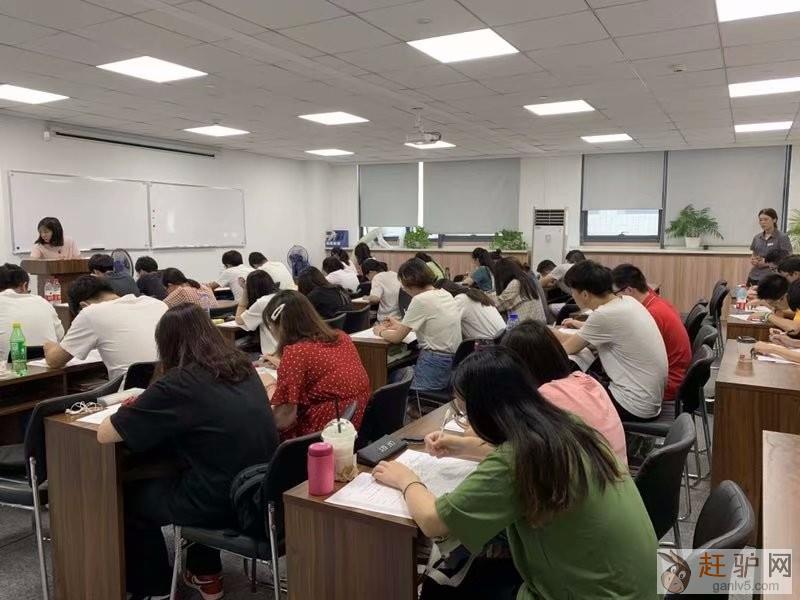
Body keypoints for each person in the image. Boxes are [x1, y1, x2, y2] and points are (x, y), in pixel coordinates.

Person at [372, 348, 656, 600]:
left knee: (441, 585)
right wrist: (462, 445)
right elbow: (513, 454)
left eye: (464, 410)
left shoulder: (517, 460)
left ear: (484, 411)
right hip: (634, 584)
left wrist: (406, 480)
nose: (465, 418)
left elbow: (433, 522)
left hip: (589, 592)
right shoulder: (565, 424)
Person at [97, 303, 279, 600]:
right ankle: (205, 574)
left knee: (127, 499)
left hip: (218, 501)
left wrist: (138, 407)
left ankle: (153, 587)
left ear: (167, 343)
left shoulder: (179, 382)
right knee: (198, 469)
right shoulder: (242, 367)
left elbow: (106, 433)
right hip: (256, 490)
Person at [554, 260, 668, 421]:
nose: (571, 295)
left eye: (572, 291)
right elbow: (583, 340)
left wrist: (548, 335)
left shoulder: (604, 315)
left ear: (585, 294)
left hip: (633, 404)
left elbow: (567, 349)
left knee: (560, 399)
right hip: (649, 399)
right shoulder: (628, 301)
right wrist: (558, 335)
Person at [502, 321, 627, 465]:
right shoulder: (585, 379)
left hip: (593, 475)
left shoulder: (545, 397)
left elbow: (515, 453)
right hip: (619, 471)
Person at [260, 290, 370, 439]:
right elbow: (323, 371)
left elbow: (284, 419)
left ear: (280, 325)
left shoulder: (296, 352)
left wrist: (269, 385)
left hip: (323, 432)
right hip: (357, 422)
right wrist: (283, 365)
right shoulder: (341, 337)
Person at [43, 275, 167, 380]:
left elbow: (55, 360)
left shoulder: (90, 313)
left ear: (83, 306)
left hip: (131, 394)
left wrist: (49, 346)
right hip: (171, 387)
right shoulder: (158, 304)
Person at [607, 264, 691, 405]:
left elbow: (636, 356)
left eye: (615, 294)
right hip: (675, 374)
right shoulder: (653, 299)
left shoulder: (651, 314)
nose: (615, 299)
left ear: (629, 290)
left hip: (667, 384)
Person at [374, 259, 462, 391]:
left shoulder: (420, 299)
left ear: (409, 282)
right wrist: (399, 325)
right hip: (451, 364)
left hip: (434, 363)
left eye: (403, 285)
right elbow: (431, 326)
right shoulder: (445, 294)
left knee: (390, 378)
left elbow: (397, 338)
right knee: (398, 372)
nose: (403, 289)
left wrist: (380, 331)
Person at [0, 263, 64, 361]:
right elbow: (60, 336)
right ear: (24, 286)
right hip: (48, 365)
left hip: (8, 368)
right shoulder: (43, 302)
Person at [439, 280, 506, 341]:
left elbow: (446, 324)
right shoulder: (474, 293)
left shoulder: (461, 300)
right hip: (503, 337)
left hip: (489, 343)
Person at [236, 269, 279, 356]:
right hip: (292, 348)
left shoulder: (262, 302)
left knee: (236, 346)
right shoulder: (283, 296)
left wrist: (245, 291)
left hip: (274, 352)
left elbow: (239, 320)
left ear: (251, 289)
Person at [748, 208, 793, 286]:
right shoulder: (757, 237)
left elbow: (787, 258)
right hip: (755, 275)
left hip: (773, 278)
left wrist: (767, 263)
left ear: (774, 220)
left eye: (766, 219)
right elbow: (754, 254)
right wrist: (753, 260)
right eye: (760, 220)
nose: (762, 222)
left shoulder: (782, 237)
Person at [494, 257, 546, 323]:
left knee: (496, 316)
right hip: (537, 323)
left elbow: (499, 305)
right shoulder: (527, 278)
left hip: (527, 325)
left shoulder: (516, 283)